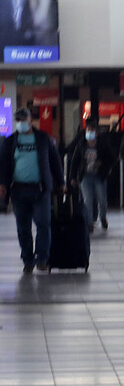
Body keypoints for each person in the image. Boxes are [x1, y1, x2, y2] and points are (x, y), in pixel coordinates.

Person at [0, 107, 64, 273]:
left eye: (24, 119)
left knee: (43, 224)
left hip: (41, 189)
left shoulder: (42, 138)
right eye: (18, 120)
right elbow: (4, 165)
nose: (21, 123)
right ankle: (28, 259)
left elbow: (55, 160)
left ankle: (42, 258)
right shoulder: (10, 141)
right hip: (18, 190)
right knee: (23, 228)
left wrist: (61, 182)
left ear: (30, 120)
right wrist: (3, 184)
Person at [66, 118, 116, 232]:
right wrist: (72, 177)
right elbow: (75, 160)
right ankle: (89, 223)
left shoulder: (103, 144)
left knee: (102, 199)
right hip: (85, 176)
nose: (90, 133)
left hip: (99, 176)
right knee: (87, 200)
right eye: (88, 130)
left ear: (96, 133)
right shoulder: (82, 144)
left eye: (92, 131)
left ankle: (102, 216)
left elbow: (112, 158)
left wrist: (102, 165)